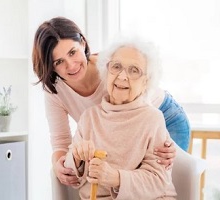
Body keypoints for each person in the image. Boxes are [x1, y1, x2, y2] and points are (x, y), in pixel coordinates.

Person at [32, 16, 189, 193]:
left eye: (72, 52)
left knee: (159, 185)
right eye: (58, 62)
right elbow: (61, 141)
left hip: (162, 113)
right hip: (126, 126)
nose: (71, 65)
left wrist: (166, 143)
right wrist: (63, 164)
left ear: (82, 43)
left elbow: (141, 116)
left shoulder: (112, 68)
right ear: (50, 67)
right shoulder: (59, 93)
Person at [64, 37, 177, 199]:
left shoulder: (152, 119)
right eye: (116, 67)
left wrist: (115, 178)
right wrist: (76, 156)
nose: (123, 77)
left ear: (146, 82)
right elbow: (70, 171)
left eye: (134, 70)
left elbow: (157, 181)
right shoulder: (89, 117)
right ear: (106, 72)